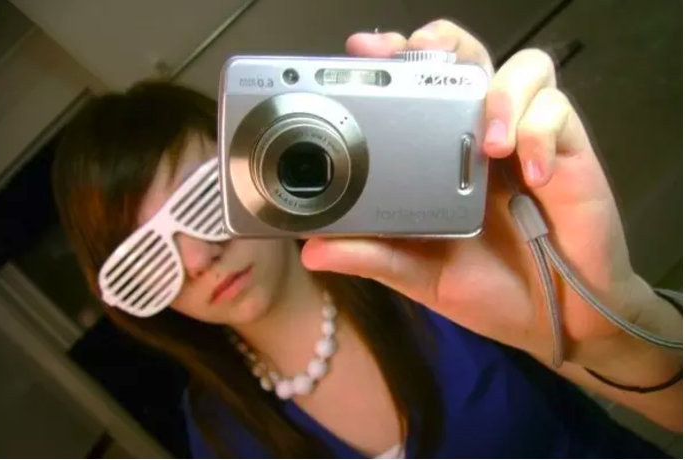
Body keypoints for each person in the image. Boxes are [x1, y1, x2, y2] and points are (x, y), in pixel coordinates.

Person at [52, 19, 682, 458]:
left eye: (203, 200)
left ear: (271, 160)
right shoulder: (215, 429)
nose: (196, 257)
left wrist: (617, 324)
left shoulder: (437, 273)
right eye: (142, 261)